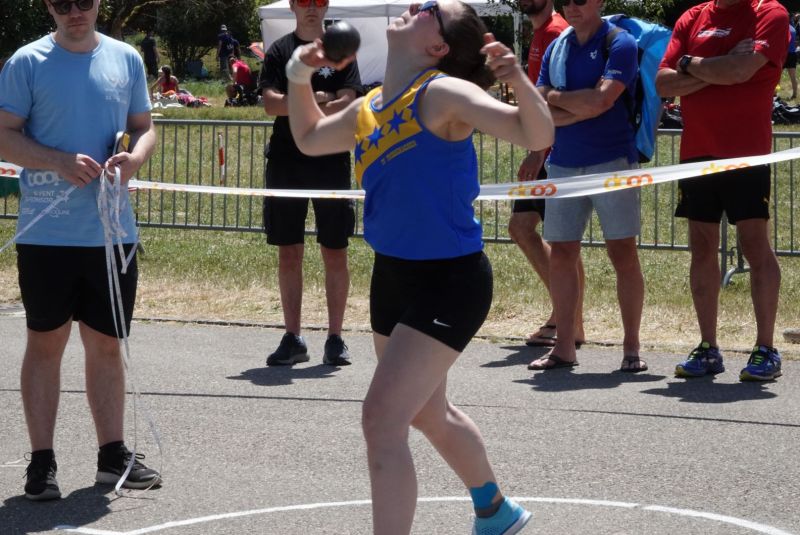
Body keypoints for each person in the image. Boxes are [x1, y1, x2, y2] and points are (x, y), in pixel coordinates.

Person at [286, 1, 553, 532]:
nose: (415, 4)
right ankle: (496, 510)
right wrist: (297, 76)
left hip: (449, 281)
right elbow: (310, 138)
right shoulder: (372, 105)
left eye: (429, 8)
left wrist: (519, 79)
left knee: (381, 420)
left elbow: (537, 135)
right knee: (429, 412)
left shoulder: (444, 93)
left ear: (438, 47)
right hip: (393, 275)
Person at [0, 0, 161, 500]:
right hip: (47, 236)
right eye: (61, 2)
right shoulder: (27, 62)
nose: (74, 11)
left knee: (107, 345)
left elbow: (144, 125)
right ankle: (41, 463)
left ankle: (112, 456)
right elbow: (3, 137)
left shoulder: (126, 58)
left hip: (112, 234)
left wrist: (134, 160)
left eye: (84, 1)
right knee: (45, 344)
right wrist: (58, 161)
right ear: (48, 6)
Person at [656, 0, 788, 381]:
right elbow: (663, 83)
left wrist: (690, 64)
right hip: (697, 154)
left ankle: (765, 349)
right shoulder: (692, 17)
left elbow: (741, 71)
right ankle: (708, 347)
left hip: (747, 154)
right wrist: (719, 67)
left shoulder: (770, 14)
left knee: (755, 245)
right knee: (701, 247)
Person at [527, 0, 647, 373]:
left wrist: (556, 98)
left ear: (599, 2)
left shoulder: (621, 42)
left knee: (622, 254)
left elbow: (601, 101)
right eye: (566, 0)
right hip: (563, 163)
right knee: (561, 253)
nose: (572, 6)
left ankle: (631, 346)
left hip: (613, 162)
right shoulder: (556, 46)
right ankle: (564, 346)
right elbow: (541, 108)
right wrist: (576, 104)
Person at [259, 0, 362, 367]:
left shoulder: (340, 47)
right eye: (304, 0)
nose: (312, 7)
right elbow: (270, 104)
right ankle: (293, 337)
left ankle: (335, 338)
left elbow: (349, 100)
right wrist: (319, 99)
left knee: (335, 249)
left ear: (327, 4)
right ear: (292, 5)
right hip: (286, 161)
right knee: (289, 250)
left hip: (331, 160)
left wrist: (303, 102)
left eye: (319, 1)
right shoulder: (280, 50)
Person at [508, 0, 586, 350]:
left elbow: (557, 100)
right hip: (543, 148)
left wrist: (539, 151)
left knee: (563, 241)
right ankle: (564, 316)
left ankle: (569, 322)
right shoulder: (541, 32)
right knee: (521, 228)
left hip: (556, 152)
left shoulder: (556, 31)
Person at [784, 20, 797, 100]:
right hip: (792, 54)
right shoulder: (793, 29)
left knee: (777, 76)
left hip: (784, 54)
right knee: (793, 77)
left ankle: (775, 94)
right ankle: (795, 94)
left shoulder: (783, 28)